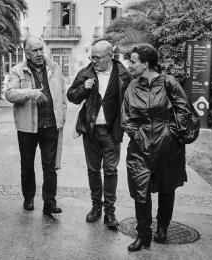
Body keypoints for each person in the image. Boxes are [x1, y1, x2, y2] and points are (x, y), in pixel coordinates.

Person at [121, 44, 191, 251]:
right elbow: (125, 117)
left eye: (134, 61)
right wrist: (137, 134)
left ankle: (163, 228)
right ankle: (143, 235)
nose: (130, 65)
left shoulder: (168, 82)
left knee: (166, 187)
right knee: (140, 189)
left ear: (146, 63)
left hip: (167, 145)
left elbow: (184, 110)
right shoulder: (132, 86)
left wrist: (170, 133)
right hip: (140, 147)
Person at [67, 40, 131, 229]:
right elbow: (71, 96)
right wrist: (83, 88)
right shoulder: (86, 73)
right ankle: (96, 208)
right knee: (93, 171)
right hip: (91, 131)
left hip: (112, 132)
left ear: (110, 56)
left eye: (98, 57)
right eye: (92, 57)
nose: (94, 61)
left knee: (111, 171)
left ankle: (110, 212)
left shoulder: (123, 76)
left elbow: (131, 102)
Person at [5, 37, 67, 215]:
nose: (39, 54)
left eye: (41, 49)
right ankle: (29, 197)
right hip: (27, 127)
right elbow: (9, 93)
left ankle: (50, 202)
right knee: (27, 163)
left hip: (50, 124)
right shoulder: (18, 70)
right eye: (35, 51)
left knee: (50, 165)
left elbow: (62, 94)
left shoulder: (54, 67)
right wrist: (30, 93)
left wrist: (61, 116)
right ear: (27, 53)